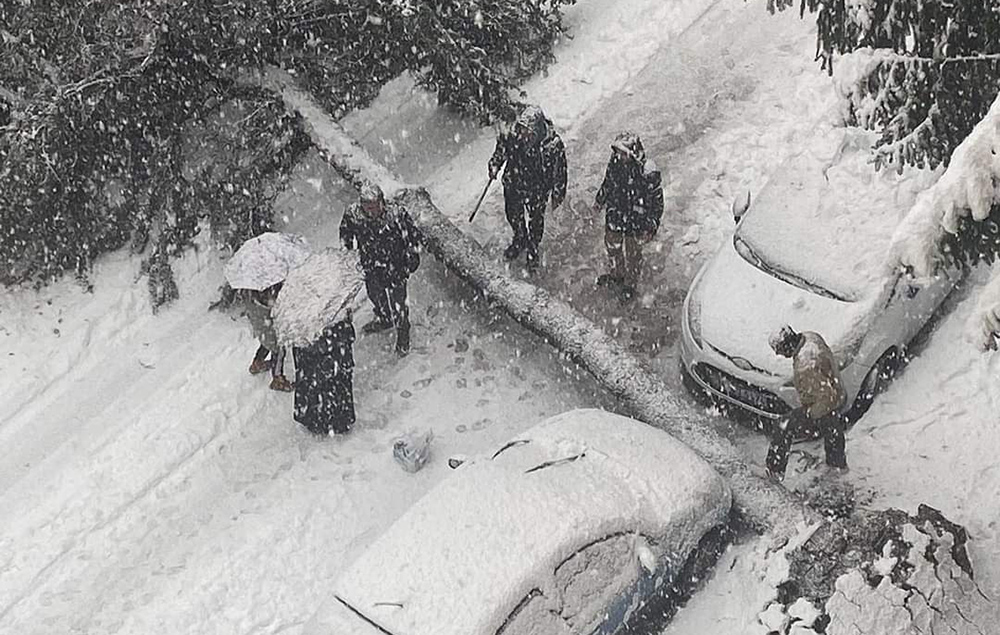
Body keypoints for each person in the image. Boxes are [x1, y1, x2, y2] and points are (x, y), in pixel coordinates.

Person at [340, 181, 421, 356]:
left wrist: (412, 256)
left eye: (374, 206)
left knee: (399, 302)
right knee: (375, 295)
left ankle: (403, 335)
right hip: (371, 265)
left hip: (396, 265)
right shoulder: (353, 215)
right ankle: (384, 318)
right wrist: (348, 253)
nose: (371, 211)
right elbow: (346, 234)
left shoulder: (396, 214)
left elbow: (412, 234)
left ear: (382, 202)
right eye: (367, 207)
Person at [488, 104, 567, 273]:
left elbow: (560, 170)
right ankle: (520, 238)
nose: (524, 134)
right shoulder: (513, 134)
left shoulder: (552, 144)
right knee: (513, 214)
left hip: (537, 188)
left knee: (536, 220)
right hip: (514, 182)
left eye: (528, 131)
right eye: (522, 129)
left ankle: (533, 247)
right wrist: (494, 164)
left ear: (537, 130)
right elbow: (501, 150)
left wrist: (558, 193)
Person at [765, 326, 848, 481]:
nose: (778, 354)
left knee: (784, 425)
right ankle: (837, 465)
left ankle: (774, 471)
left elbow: (826, 399)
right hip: (836, 390)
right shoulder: (810, 337)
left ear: (786, 345)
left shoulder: (806, 366)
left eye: (778, 350)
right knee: (832, 430)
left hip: (824, 403)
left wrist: (810, 414)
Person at [593, 131, 664, 302]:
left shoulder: (648, 172)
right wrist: (600, 200)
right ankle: (617, 274)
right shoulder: (615, 163)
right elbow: (608, 182)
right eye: (617, 151)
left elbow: (657, 202)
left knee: (633, 254)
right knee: (612, 246)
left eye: (622, 152)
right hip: (616, 214)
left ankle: (630, 284)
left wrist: (652, 224)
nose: (619, 156)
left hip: (636, 219)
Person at [293, 312, 356, 435]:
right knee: (336, 379)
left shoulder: (297, 303)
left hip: (309, 335)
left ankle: (316, 418)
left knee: (313, 379)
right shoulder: (335, 299)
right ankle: (338, 418)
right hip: (333, 336)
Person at [245, 283, 293, 392]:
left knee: (266, 339)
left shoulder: (253, 284)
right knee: (279, 347)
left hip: (257, 316)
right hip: (267, 316)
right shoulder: (272, 286)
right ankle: (277, 378)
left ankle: (257, 362)